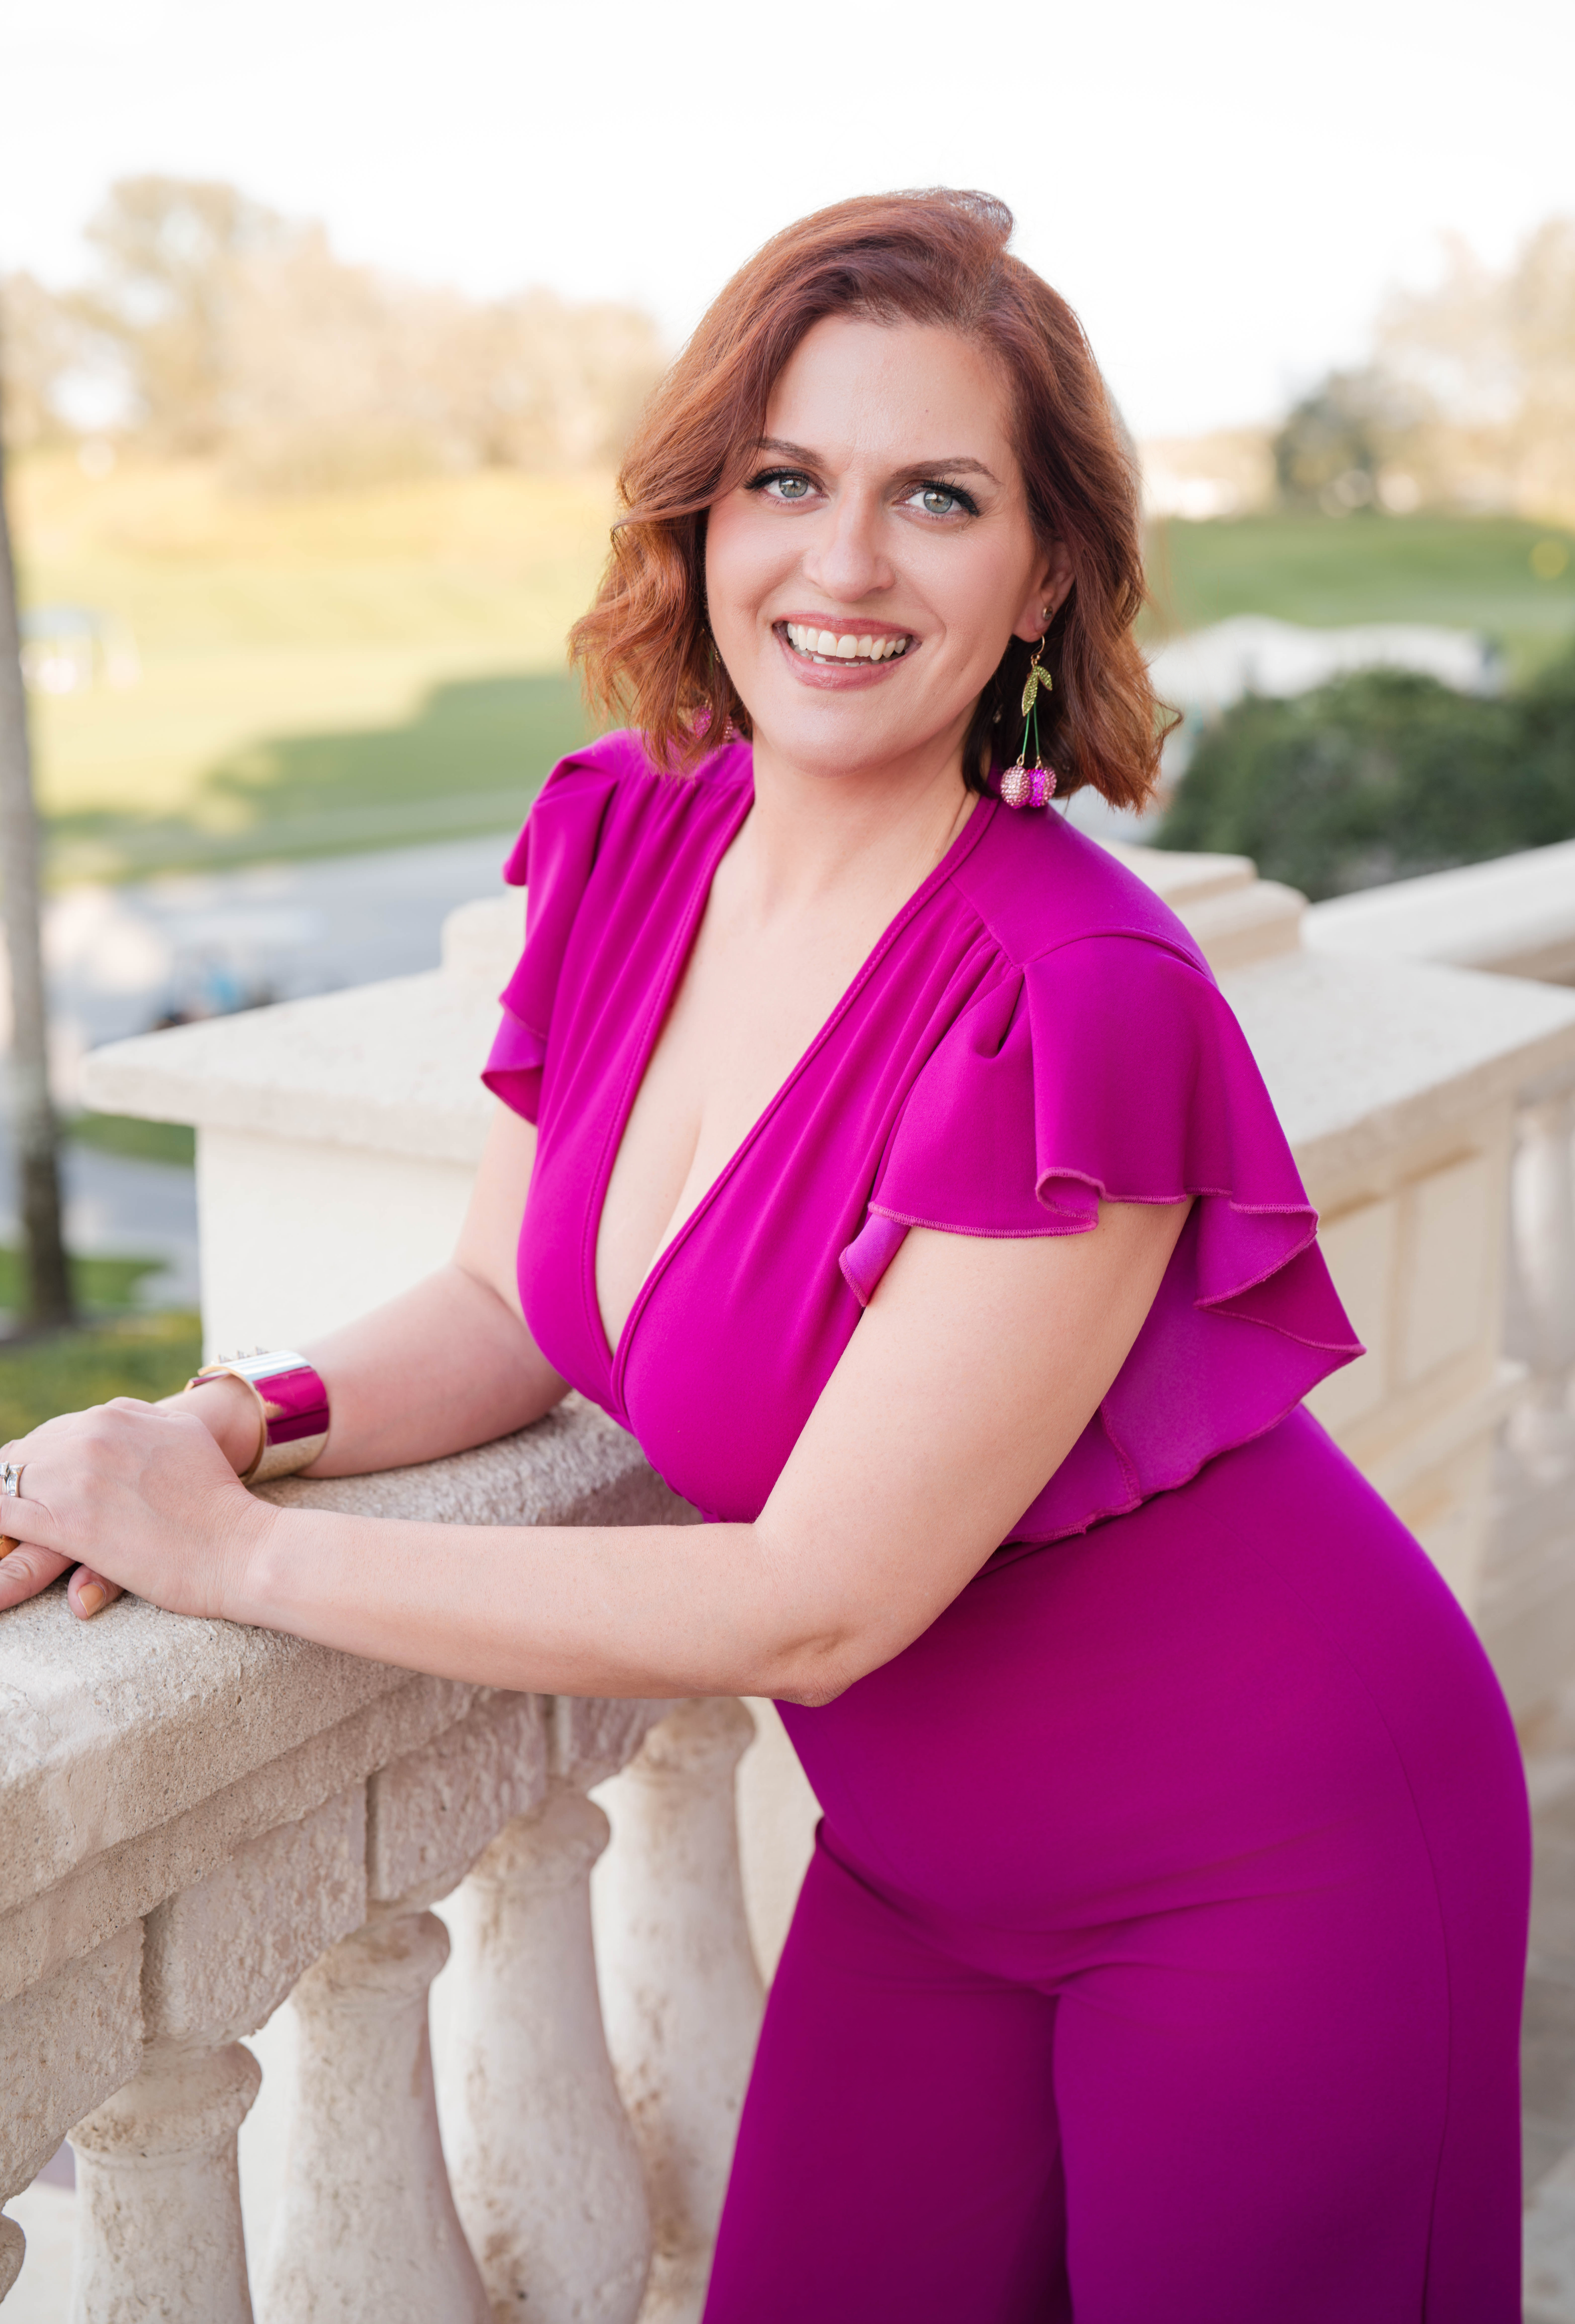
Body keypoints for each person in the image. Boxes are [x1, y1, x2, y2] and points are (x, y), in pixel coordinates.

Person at [0, 190, 1528, 2321]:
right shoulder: (626, 836)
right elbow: (511, 1302)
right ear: (703, 514)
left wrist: (231, 1558)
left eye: (938, 499)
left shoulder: (1074, 996)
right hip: (917, 1879)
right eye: (788, 480)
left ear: (1047, 573)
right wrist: (234, 1421)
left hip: (1269, 1863)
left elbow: (816, 1601)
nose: (845, 564)